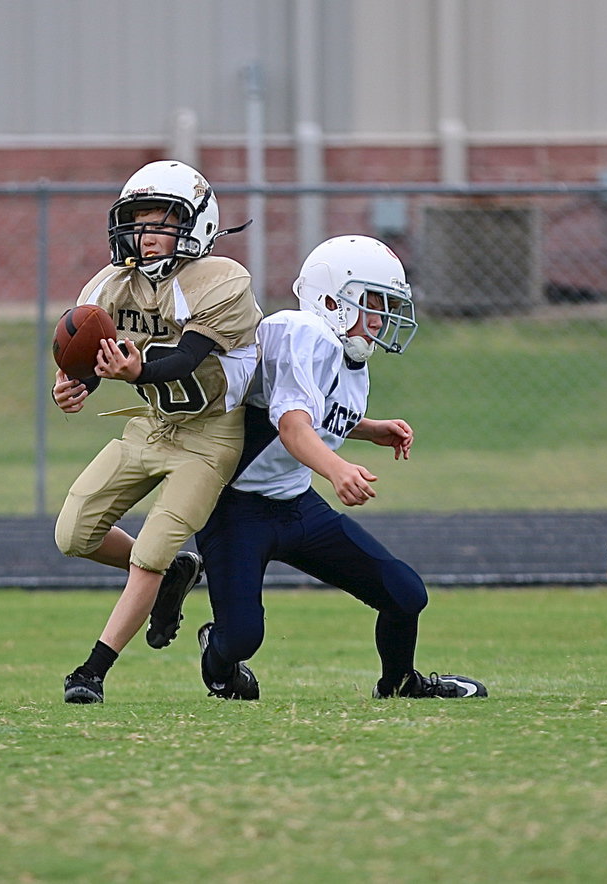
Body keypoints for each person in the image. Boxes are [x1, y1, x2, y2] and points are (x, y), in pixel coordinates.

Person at [176, 234, 486, 700]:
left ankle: (400, 682)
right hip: (237, 509)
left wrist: (369, 428)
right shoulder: (305, 332)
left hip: (295, 504)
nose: (383, 318)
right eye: (374, 303)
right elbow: (292, 426)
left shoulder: (341, 352)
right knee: (241, 638)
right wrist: (338, 469)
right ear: (330, 299)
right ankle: (218, 663)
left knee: (404, 592)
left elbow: (311, 412)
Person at [53, 160, 262, 704]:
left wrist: (137, 372)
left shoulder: (222, 280)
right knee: (73, 534)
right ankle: (176, 575)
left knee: (150, 550)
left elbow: (186, 356)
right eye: (138, 223)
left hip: (210, 434)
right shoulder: (109, 285)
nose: (145, 237)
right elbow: (97, 356)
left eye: (160, 223)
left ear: (197, 224)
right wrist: (76, 384)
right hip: (150, 425)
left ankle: (92, 672)